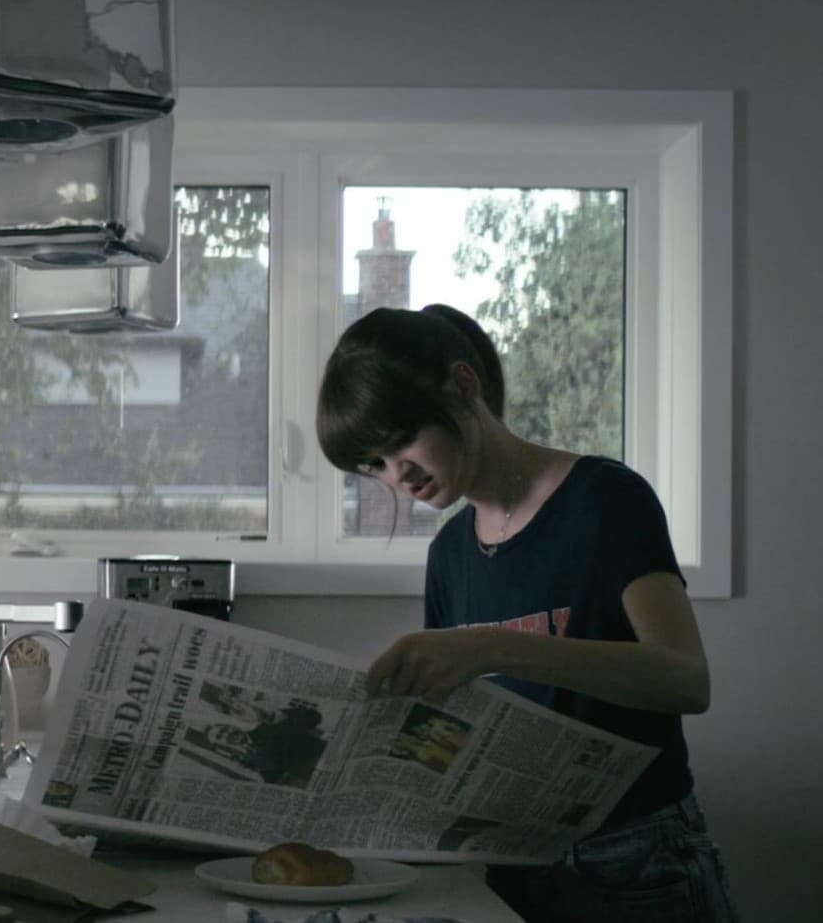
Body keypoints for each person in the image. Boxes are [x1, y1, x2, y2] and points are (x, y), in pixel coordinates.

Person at [315, 303, 737, 922]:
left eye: (402, 441)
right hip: (515, 867)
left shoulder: (605, 499)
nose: (398, 476)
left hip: (640, 862)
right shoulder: (449, 554)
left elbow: (686, 679)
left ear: (463, 386)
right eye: (374, 465)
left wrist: (491, 646)